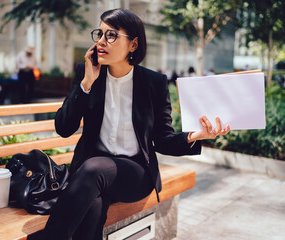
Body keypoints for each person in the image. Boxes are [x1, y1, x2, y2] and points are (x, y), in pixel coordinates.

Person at [42, 9, 230, 240]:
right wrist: (86, 84)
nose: (101, 41)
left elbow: (163, 140)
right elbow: (63, 128)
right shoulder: (87, 73)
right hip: (93, 174)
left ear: (133, 45)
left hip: (135, 173)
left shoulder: (154, 83)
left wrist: (194, 136)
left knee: (93, 169)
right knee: (93, 208)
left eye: (111, 35)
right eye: (99, 34)